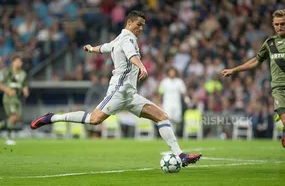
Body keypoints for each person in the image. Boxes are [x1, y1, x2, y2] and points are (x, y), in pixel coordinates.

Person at [30, 10, 201, 167]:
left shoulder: (117, 40)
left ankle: (180, 155)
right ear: (129, 22)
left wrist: (91, 49)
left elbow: (104, 47)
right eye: (138, 24)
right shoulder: (128, 39)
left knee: (162, 117)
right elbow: (131, 54)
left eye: (143, 25)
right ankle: (52, 118)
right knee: (94, 119)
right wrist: (141, 66)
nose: (141, 28)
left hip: (130, 94)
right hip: (119, 91)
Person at [222, 9, 285, 148]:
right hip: (279, 88)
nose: (279, 27)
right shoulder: (270, 43)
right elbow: (256, 61)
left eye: (283, 24)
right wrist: (234, 70)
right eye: (276, 24)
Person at [0, 55, 29, 145]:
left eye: (20, 62)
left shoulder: (23, 73)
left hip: (18, 98)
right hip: (9, 98)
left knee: (16, 118)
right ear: (13, 62)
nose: (19, 63)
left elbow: (24, 84)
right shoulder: (7, 72)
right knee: (13, 117)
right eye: (17, 61)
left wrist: (25, 91)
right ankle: (8, 138)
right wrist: (8, 91)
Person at [158, 66, 190, 137]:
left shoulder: (179, 82)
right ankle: (169, 135)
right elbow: (160, 93)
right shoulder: (164, 82)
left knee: (176, 119)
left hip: (176, 104)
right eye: (170, 72)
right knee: (168, 118)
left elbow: (184, 92)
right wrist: (159, 103)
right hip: (167, 103)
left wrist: (187, 99)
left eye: (173, 72)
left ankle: (173, 132)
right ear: (168, 72)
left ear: (175, 73)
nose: (172, 73)